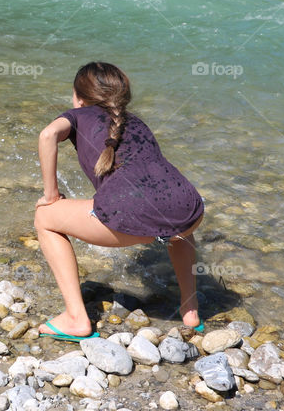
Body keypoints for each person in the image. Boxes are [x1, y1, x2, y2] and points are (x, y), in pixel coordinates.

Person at [34, 62, 205, 341]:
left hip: (133, 213)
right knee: (175, 226)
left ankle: (76, 319)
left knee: (44, 219)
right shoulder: (135, 121)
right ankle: (190, 311)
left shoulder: (78, 115)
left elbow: (47, 134)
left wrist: (51, 196)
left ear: (79, 98)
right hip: (190, 207)